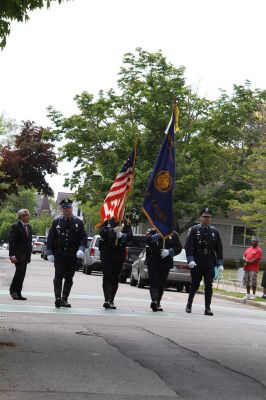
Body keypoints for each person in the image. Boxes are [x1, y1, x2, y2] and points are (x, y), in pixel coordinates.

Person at [46, 198, 87, 308]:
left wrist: (81, 249)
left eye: (68, 207)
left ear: (71, 208)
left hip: (72, 255)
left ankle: (64, 299)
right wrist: (49, 252)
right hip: (59, 254)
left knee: (69, 277)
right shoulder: (57, 222)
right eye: (64, 208)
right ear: (61, 209)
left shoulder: (78, 222)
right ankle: (58, 298)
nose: (67, 210)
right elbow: (51, 238)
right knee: (58, 275)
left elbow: (83, 238)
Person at [184, 207, 223, 316]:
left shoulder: (214, 231)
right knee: (195, 285)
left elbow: (219, 248)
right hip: (197, 262)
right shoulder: (194, 230)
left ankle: (207, 308)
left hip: (209, 262)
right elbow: (189, 246)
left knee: (208, 286)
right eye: (204, 217)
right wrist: (190, 260)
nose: (206, 219)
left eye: (208, 217)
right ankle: (189, 304)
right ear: (200, 218)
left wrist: (220, 263)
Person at [99, 217, 133, 309]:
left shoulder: (125, 221)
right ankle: (106, 299)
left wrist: (122, 235)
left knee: (115, 278)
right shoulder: (106, 219)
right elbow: (102, 233)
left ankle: (111, 300)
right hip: (107, 253)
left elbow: (130, 236)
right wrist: (113, 230)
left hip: (119, 254)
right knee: (107, 276)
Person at [146, 228, 182, 312]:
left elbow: (179, 247)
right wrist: (159, 234)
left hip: (165, 262)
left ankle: (158, 302)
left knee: (161, 283)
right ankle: (154, 301)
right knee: (154, 281)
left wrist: (169, 252)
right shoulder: (151, 231)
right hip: (153, 261)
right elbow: (148, 240)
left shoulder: (173, 234)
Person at [8, 209, 32, 300]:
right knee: (19, 272)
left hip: (25, 255)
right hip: (17, 255)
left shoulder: (29, 227)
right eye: (27, 215)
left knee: (22, 274)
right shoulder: (15, 226)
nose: (29, 217)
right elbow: (12, 242)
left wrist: (29, 256)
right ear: (22, 216)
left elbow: (28, 242)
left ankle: (18, 292)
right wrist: (12, 255)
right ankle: (13, 291)